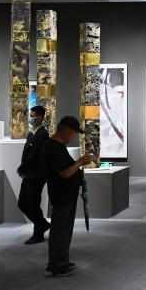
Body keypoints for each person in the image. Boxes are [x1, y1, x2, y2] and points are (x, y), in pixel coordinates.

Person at [40, 116, 94, 277]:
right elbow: (64, 173)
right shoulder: (53, 148)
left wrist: (78, 168)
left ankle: (62, 261)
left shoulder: (58, 146)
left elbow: (67, 169)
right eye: (74, 133)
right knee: (59, 230)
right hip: (61, 194)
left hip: (67, 194)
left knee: (65, 230)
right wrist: (80, 162)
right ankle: (55, 265)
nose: (75, 136)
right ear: (67, 130)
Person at [17, 105, 50, 244]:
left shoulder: (43, 134)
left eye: (33, 116)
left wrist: (22, 169)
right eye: (30, 116)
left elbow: (35, 155)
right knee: (22, 204)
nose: (30, 118)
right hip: (28, 174)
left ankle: (38, 233)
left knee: (33, 205)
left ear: (40, 117)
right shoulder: (32, 134)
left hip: (36, 175)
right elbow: (26, 153)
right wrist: (23, 170)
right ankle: (42, 224)